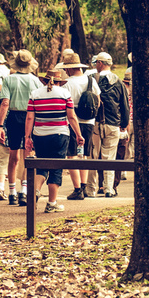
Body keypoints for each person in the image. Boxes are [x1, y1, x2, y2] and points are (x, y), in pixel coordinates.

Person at [25, 69, 84, 213]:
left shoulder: (35, 94)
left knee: (42, 166)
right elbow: (71, 117)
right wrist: (78, 134)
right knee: (56, 168)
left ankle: (36, 192)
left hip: (40, 135)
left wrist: (27, 137)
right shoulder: (65, 94)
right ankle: (52, 203)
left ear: (44, 80)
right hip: (60, 135)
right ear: (59, 81)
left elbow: (30, 118)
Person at [0, 50, 42, 206]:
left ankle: (11, 192)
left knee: (13, 156)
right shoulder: (36, 81)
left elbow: (5, 103)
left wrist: (0, 125)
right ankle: (24, 191)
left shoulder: (9, 79)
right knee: (27, 155)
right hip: (30, 117)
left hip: (14, 118)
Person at [85, 52, 130, 198]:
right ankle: (109, 189)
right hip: (113, 125)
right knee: (109, 157)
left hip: (95, 124)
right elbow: (124, 105)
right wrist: (123, 124)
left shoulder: (91, 80)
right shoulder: (118, 82)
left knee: (93, 157)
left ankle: (90, 189)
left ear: (100, 63)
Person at [58, 50, 100, 200]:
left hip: (72, 121)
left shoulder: (67, 83)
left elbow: (63, 104)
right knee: (84, 155)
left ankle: (77, 189)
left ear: (70, 68)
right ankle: (84, 186)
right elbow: (98, 101)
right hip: (89, 122)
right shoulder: (91, 81)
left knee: (71, 156)